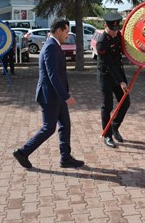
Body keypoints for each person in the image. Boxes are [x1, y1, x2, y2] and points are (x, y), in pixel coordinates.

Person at [13, 19, 84, 169]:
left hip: (56, 95)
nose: (67, 35)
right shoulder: (51, 47)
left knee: (65, 124)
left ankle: (66, 157)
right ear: (58, 31)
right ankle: (23, 152)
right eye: (66, 31)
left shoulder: (53, 45)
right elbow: (53, 76)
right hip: (50, 96)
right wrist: (65, 96)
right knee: (48, 128)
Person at [96, 13, 130, 148]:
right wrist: (121, 82)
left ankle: (114, 127)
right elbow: (109, 64)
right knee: (107, 106)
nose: (115, 32)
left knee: (125, 102)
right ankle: (107, 135)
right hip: (106, 77)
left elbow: (123, 53)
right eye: (112, 30)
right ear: (105, 26)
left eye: (117, 30)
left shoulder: (118, 36)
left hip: (118, 75)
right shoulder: (101, 41)